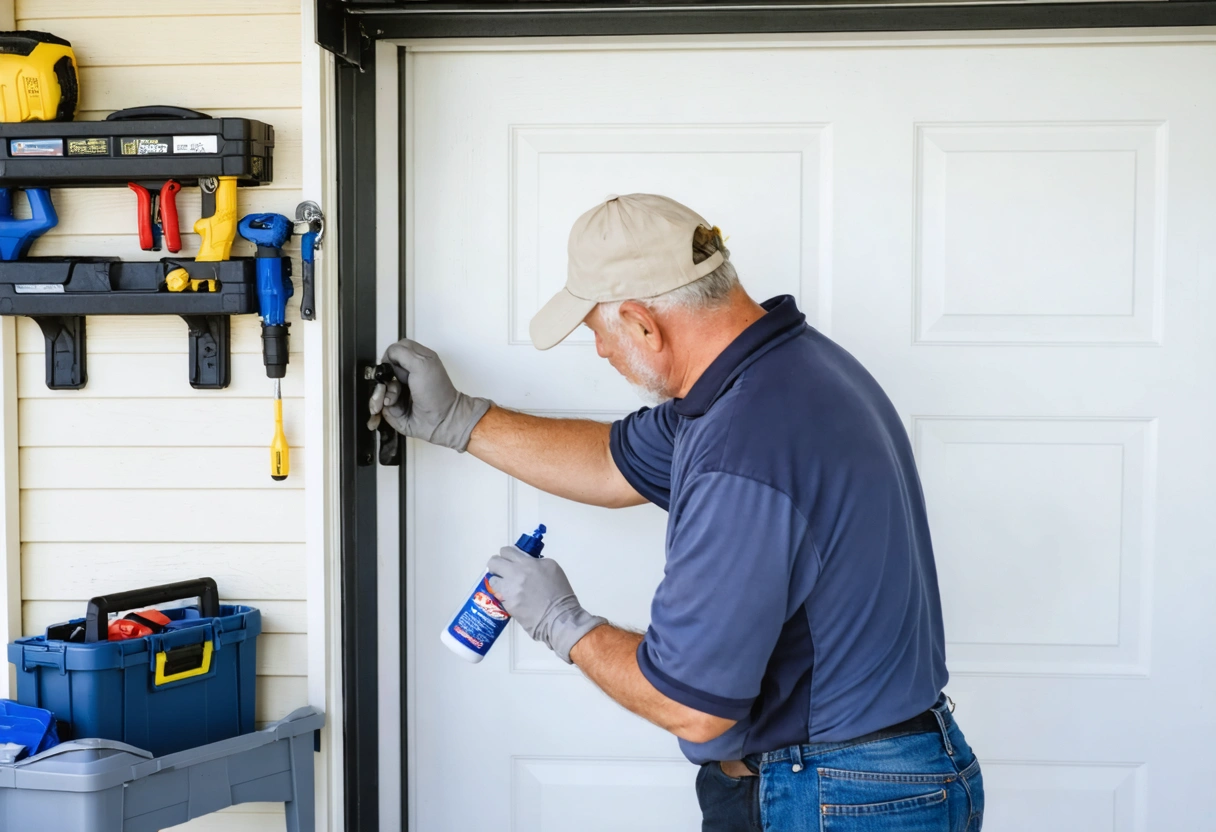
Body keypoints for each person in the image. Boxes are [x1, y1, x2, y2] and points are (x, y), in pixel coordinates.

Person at [369, 194, 984, 832]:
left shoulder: (744, 447)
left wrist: (563, 623)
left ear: (641, 323)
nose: (602, 353)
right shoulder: (781, 370)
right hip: (886, 773)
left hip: (837, 798)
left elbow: (691, 706)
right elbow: (611, 463)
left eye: (597, 333)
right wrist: (460, 420)